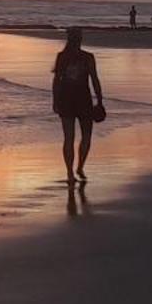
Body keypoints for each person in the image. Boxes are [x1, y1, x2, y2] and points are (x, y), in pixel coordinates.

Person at [51, 26, 105, 185]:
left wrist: (55, 100)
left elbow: (56, 82)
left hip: (66, 99)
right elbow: (95, 79)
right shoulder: (88, 57)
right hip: (83, 99)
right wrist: (100, 99)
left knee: (69, 138)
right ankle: (79, 167)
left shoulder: (62, 57)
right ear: (80, 39)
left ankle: (70, 172)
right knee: (85, 136)